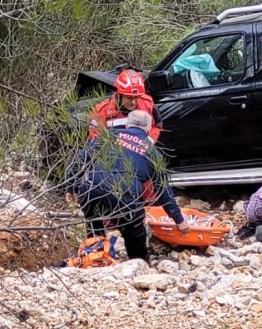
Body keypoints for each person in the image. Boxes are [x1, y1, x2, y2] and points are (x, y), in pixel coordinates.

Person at [66, 110, 188, 261]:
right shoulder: (153, 152)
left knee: (94, 225)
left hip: (91, 190)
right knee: (135, 233)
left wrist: (72, 187)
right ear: (148, 129)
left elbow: (80, 158)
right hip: (124, 197)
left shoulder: (108, 136)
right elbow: (163, 191)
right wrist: (179, 220)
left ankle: (95, 258)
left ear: (127, 124)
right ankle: (137, 262)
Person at [88, 68, 163, 143]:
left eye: (136, 97)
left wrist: (148, 143)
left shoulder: (147, 104)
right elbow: (95, 137)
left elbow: (156, 125)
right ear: (119, 95)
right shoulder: (102, 112)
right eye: (129, 98)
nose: (133, 102)